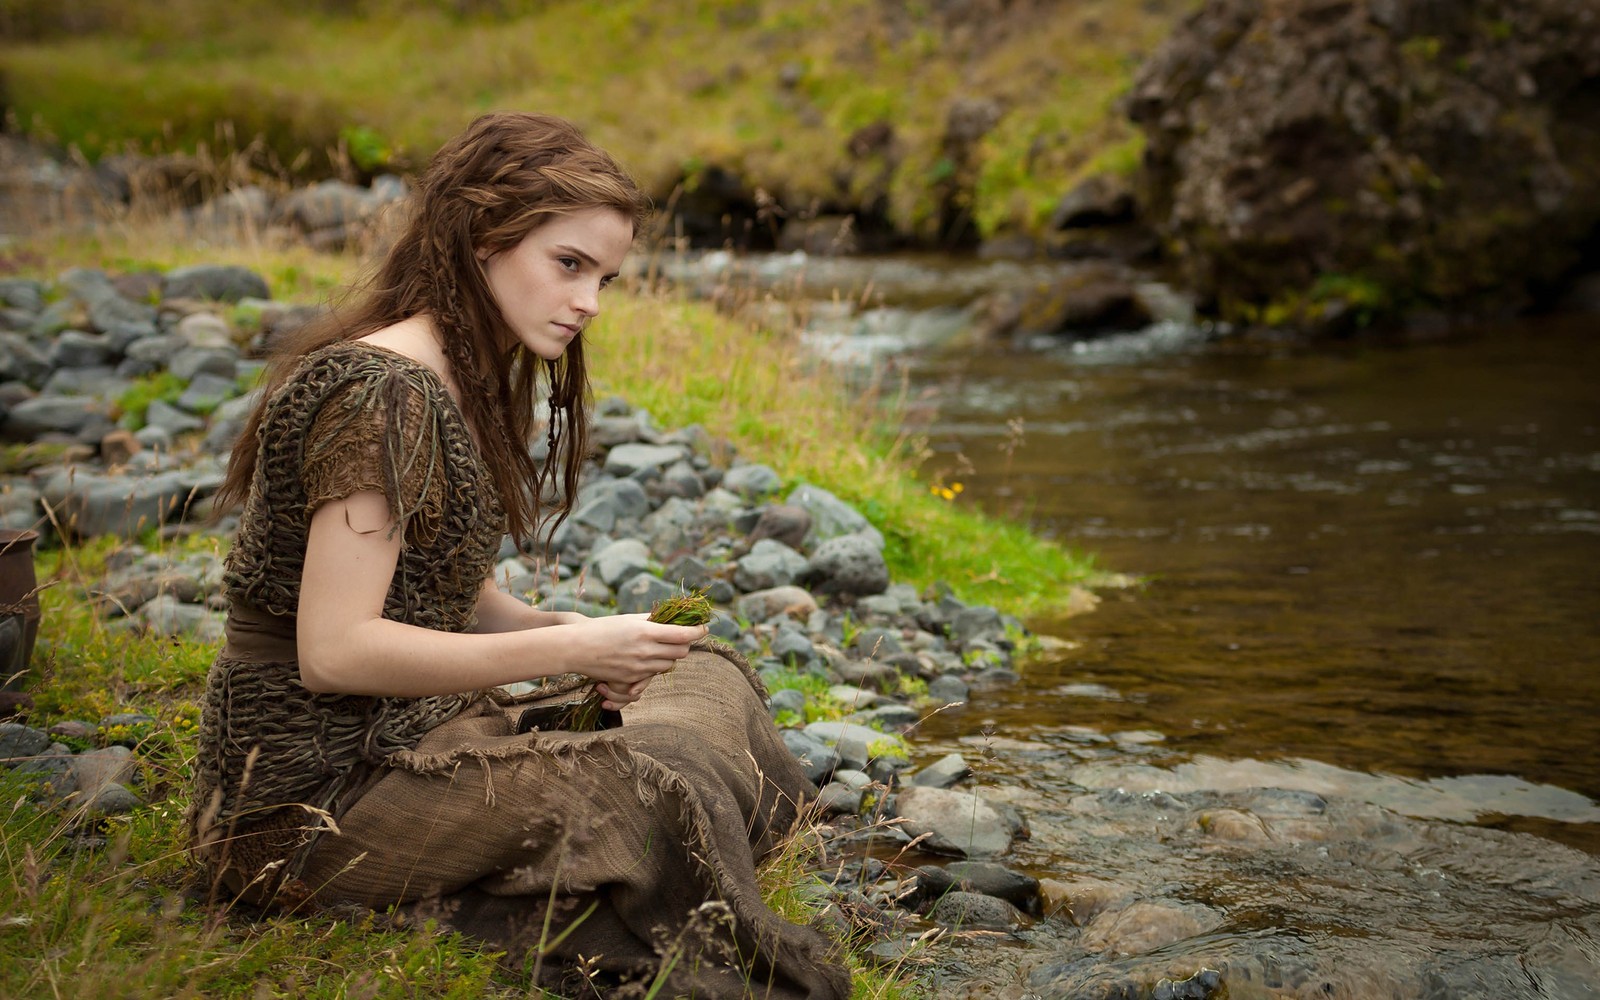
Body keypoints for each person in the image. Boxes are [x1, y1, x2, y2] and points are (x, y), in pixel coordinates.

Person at [188, 111, 850, 1000]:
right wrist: (572, 653)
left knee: (703, 680)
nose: (588, 302)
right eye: (568, 265)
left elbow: (448, 590)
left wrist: (580, 630)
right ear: (477, 237)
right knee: (652, 787)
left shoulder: (460, 374)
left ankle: (625, 864)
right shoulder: (380, 391)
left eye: (605, 277)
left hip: (422, 731)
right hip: (310, 802)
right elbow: (335, 649)